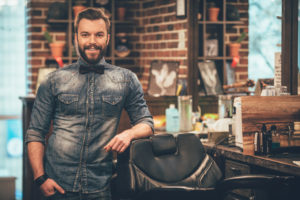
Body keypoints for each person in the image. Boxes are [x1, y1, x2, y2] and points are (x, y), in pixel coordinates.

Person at [25, 8, 154, 200]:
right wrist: (40, 178)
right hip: (56, 185)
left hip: (102, 187)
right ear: (76, 38)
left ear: (107, 38)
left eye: (99, 35)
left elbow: (147, 124)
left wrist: (129, 134)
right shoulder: (52, 81)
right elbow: (35, 132)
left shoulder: (127, 80)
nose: (92, 41)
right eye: (85, 34)